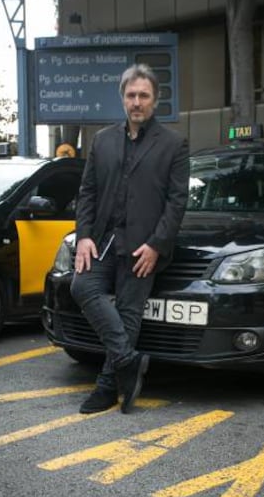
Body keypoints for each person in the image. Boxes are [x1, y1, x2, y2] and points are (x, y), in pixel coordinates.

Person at [70, 63, 190, 414]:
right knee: (82, 287)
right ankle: (128, 360)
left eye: (144, 95)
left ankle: (107, 387)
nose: (137, 102)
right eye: (131, 95)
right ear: (122, 98)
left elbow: (177, 201)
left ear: (155, 100)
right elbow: (88, 191)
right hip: (104, 241)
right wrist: (84, 237)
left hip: (143, 245)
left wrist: (157, 244)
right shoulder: (102, 140)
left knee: (128, 313)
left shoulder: (174, 144)